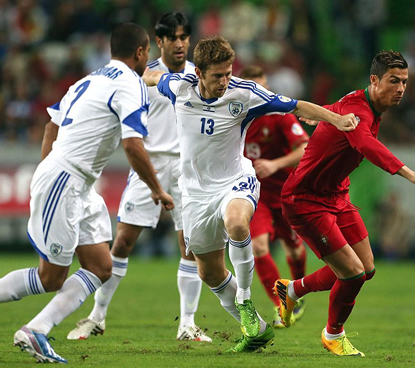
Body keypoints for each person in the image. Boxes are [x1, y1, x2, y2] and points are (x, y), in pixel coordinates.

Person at [143, 36, 358, 352]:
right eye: (218, 75)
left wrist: (336, 118)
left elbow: (295, 104)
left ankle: (244, 295)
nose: (225, 81)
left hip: (236, 179)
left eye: (229, 73)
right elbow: (154, 77)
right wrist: (139, 76)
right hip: (195, 193)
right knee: (209, 272)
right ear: (199, 72)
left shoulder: (243, 93)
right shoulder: (180, 87)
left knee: (238, 224)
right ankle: (256, 328)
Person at [0, 23, 174, 364]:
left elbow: (52, 124)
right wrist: (157, 189)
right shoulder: (130, 85)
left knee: (100, 266)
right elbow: (132, 144)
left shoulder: (90, 79)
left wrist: (50, 168)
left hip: (80, 185)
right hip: (65, 181)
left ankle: (36, 329)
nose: (149, 58)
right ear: (140, 53)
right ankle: (35, 330)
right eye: (148, 53)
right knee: (50, 277)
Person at [274, 50, 415, 357]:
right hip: (305, 199)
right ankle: (333, 334)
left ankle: (292, 289)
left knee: (367, 268)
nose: (401, 88)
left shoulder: (362, 104)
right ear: (374, 80)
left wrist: (320, 113)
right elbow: (364, 143)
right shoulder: (359, 109)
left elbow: (339, 109)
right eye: (394, 81)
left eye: (404, 82)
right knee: (352, 273)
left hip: (336, 194)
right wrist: (409, 173)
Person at [67, 12, 212, 344]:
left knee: (190, 246)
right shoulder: (138, 79)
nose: (180, 43)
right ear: (157, 42)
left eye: (184, 37)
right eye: (172, 38)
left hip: (188, 170)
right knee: (122, 243)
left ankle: (187, 324)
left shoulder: (199, 76)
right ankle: (97, 316)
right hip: (151, 165)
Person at [239, 65, 308, 327]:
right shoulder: (234, 116)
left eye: (264, 87)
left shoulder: (279, 114)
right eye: (255, 88)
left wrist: (276, 164)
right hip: (253, 193)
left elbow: (305, 147)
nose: (262, 93)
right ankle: (282, 303)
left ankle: (298, 294)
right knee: (258, 246)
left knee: (293, 246)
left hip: (284, 192)